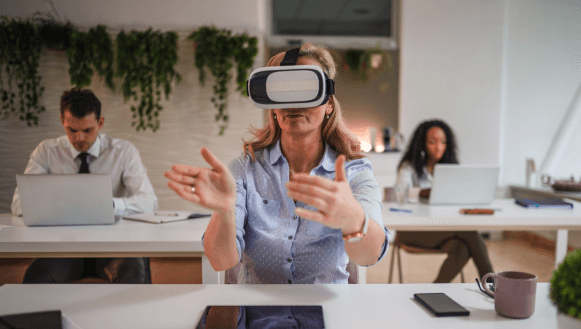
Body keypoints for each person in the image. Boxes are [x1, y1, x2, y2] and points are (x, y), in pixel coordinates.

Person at [165, 43, 389, 284]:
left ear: (329, 104)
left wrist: (354, 220)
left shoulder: (353, 173)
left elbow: (369, 256)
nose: (293, 103)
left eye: (306, 89)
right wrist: (224, 213)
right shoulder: (244, 170)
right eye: (282, 91)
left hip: (326, 313)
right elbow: (221, 261)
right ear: (272, 106)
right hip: (259, 316)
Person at [11, 88, 158, 283]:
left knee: (133, 272)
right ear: (62, 121)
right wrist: (57, 206)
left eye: (87, 130)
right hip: (64, 250)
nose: (80, 138)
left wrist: (111, 206)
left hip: (112, 248)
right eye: (72, 130)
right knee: (36, 279)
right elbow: (18, 203)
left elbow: (150, 202)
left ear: (100, 123)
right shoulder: (46, 152)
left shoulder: (123, 152)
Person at [394, 119, 494, 283]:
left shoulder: (451, 169)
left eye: (443, 142)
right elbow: (401, 194)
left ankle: (433, 291)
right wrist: (426, 192)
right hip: (412, 229)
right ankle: (493, 285)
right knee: (469, 231)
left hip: (443, 228)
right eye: (432, 142)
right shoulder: (409, 167)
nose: (438, 146)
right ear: (422, 144)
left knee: (461, 248)